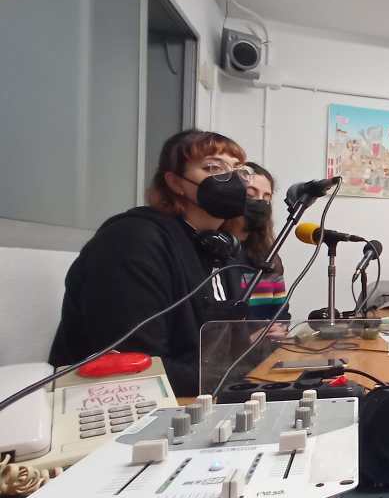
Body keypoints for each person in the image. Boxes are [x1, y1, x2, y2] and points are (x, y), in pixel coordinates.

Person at [49, 130, 252, 396]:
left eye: (239, 170)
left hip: (199, 393)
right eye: (213, 167)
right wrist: (232, 379)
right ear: (175, 183)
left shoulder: (222, 248)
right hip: (116, 403)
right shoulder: (131, 241)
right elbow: (139, 366)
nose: (232, 179)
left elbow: (228, 346)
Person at [224, 162, 290, 323]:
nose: (260, 202)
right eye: (250, 194)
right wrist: (250, 334)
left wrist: (279, 328)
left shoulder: (269, 257)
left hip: (267, 339)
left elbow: (282, 314)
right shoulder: (216, 251)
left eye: (266, 198)